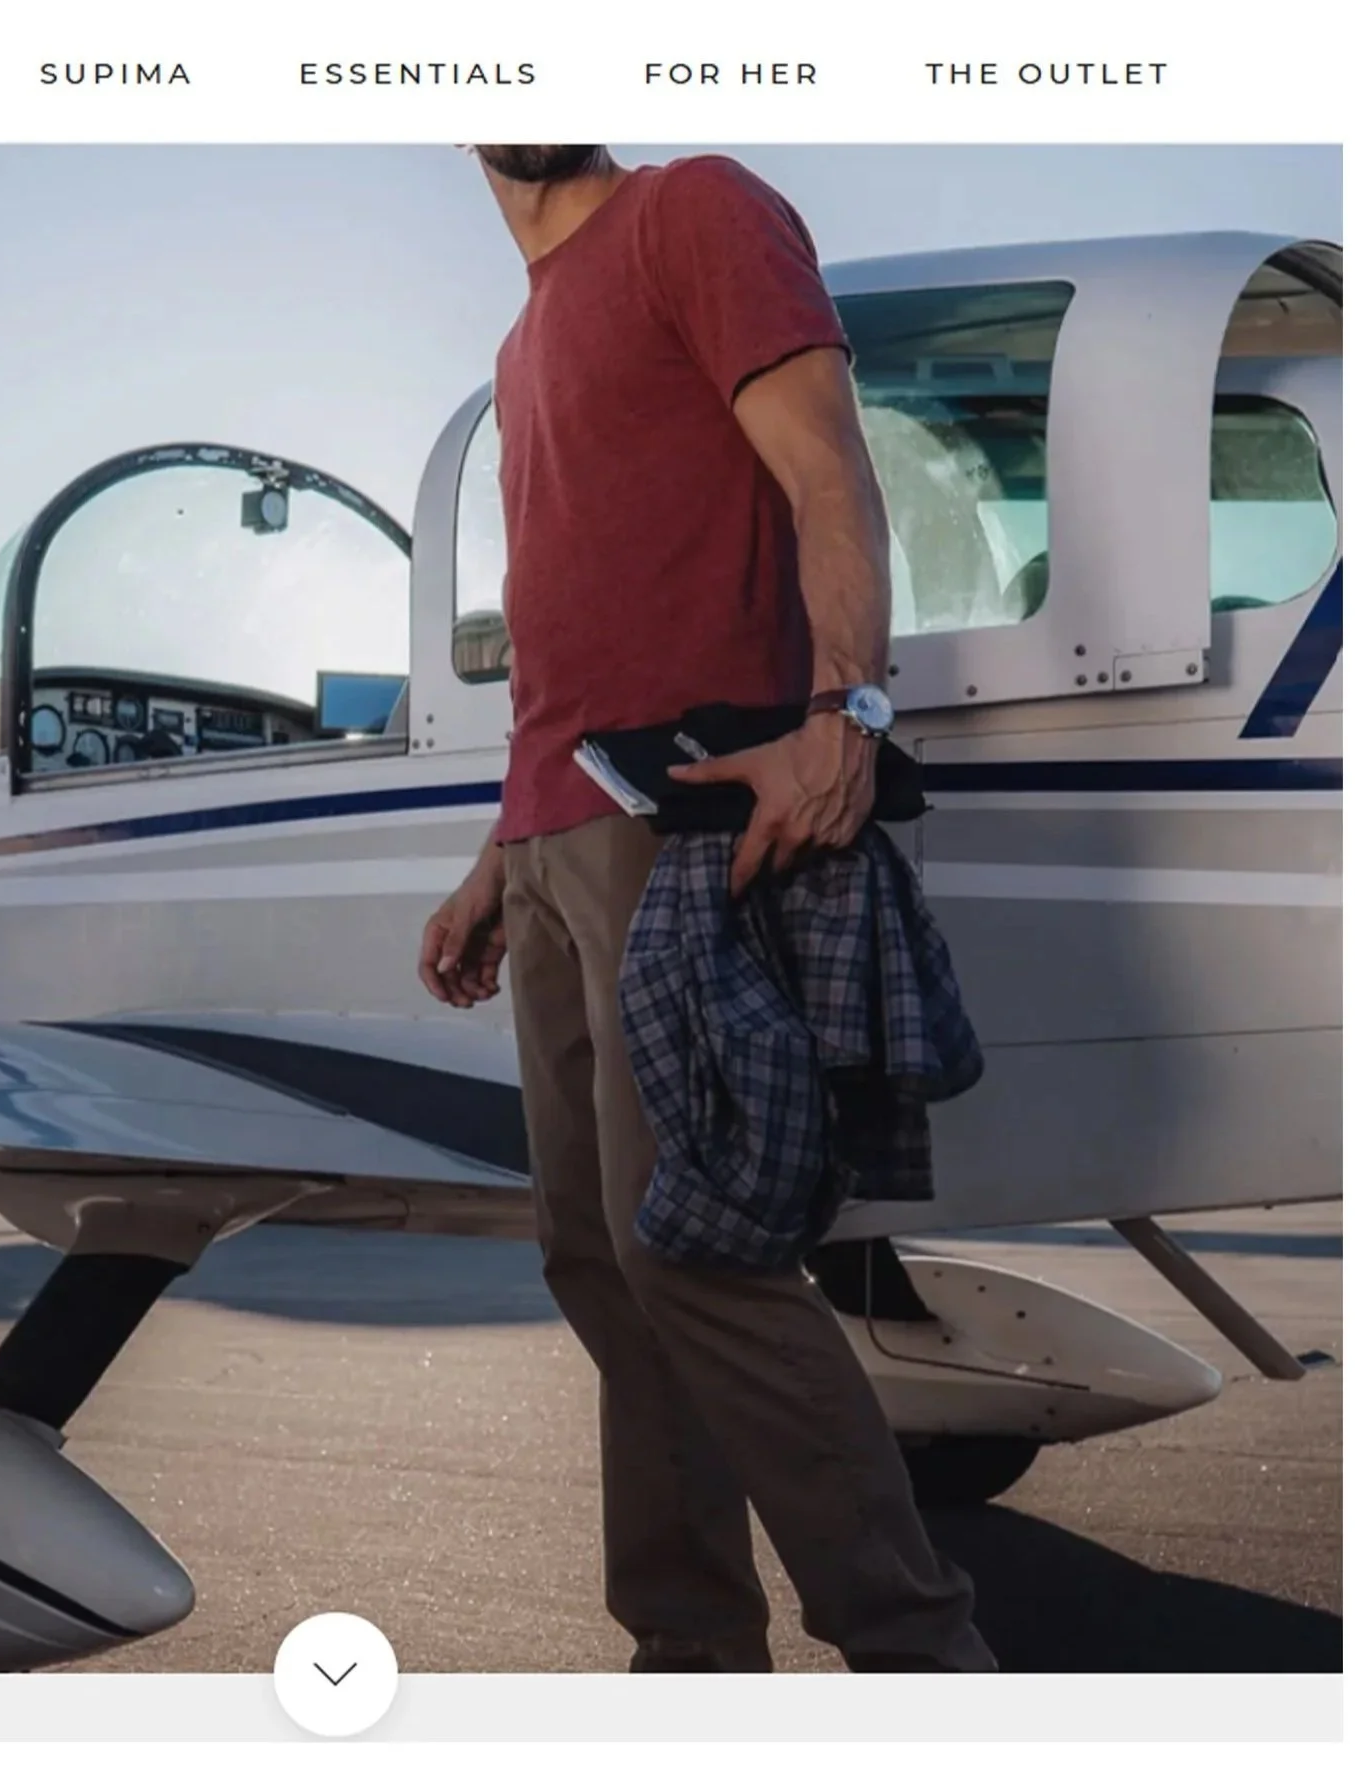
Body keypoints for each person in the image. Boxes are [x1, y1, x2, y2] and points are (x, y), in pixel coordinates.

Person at [417, 145, 995, 1673]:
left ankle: (924, 1656)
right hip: (552, 838)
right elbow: (567, 637)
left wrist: (845, 708)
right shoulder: (524, 337)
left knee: (695, 1248)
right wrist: (498, 854)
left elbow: (827, 468)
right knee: (595, 1261)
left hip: (684, 826)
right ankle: (689, 1660)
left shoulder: (697, 212)